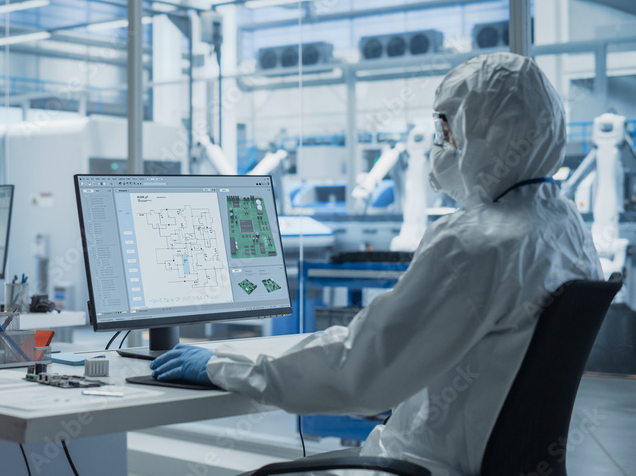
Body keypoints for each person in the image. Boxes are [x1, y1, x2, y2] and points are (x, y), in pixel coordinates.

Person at [151, 52, 602, 476]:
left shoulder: (475, 243)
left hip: (423, 467)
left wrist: (221, 366)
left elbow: (358, 374)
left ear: (487, 133)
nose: (442, 145)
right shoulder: (565, 228)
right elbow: (380, 350)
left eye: (449, 131)